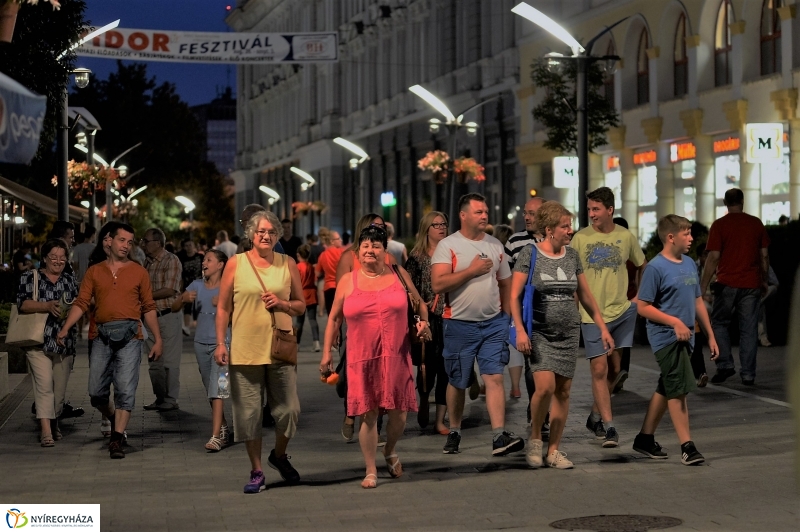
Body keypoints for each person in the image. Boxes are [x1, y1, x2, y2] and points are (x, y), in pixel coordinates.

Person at [320, 225, 430, 489]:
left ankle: (389, 449)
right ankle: (370, 469)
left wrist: (424, 324)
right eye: (365, 246)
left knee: (399, 414)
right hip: (362, 358)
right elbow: (334, 318)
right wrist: (326, 353)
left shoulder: (399, 274)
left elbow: (420, 305)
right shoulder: (348, 280)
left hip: (396, 355)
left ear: (385, 251)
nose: (370, 250)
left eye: (376, 246)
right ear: (358, 251)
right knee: (368, 414)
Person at [512, 201, 613, 469]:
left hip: (568, 333)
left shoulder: (572, 256)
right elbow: (514, 296)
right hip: (540, 333)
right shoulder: (530, 253)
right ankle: (536, 438)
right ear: (549, 230)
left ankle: (554, 450)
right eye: (565, 226)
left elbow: (586, 296)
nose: (570, 230)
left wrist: (602, 327)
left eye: (570, 225)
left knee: (563, 392)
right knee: (544, 387)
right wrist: (520, 329)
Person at [214, 210, 306, 494]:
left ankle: (279, 455)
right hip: (245, 350)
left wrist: (282, 303)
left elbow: (301, 304)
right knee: (249, 415)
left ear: (278, 236)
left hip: (280, 349)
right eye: (261, 231)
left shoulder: (287, 263)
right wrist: (221, 343)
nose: (266, 236)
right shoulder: (236, 263)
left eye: (271, 232)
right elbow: (223, 307)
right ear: (251, 235)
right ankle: (256, 471)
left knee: (289, 410)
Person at [57, 222, 163, 459]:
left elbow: (148, 307)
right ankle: (115, 419)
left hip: (131, 336)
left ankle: (117, 438)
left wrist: (158, 339)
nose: (126, 245)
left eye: (129, 242)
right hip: (101, 336)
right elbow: (82, 302)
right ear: (110, 241)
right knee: (96, 392)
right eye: (121, 240)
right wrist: (65, 328)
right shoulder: (95, 271)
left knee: (125, 388)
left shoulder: (138, 271)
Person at [431, 193, 522, 457]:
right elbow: (438, 284)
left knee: (494, 377)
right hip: (458, 324)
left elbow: (505, 283)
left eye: (485, 212)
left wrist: (505, 317)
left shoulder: (495, 244)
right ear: (463, 215)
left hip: (493, 324)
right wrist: (471, 270)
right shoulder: (448, 245)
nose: (484, 216)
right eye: (478, 212)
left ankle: (499, 435)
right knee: (458, 381)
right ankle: (455, 430)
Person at [634, 214, 719, 465]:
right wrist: (674, 322)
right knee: (679, 388)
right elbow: (643, 307)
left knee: (668, 385)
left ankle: (645, 438)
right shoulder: (655, 268)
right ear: (671, 237)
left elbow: (697, 301)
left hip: (687, 337)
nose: (691, 238)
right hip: (666, 338)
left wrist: (711, 336)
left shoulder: (690, 263)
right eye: (686, 233)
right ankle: (687, 446)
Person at [569, 187, 646, 447]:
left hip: (621, 312)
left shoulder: (625, 236)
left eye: (596, 209)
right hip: (592, 314)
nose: (591, 214)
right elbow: (573, 276)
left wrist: (639, 298)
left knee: (615, 370)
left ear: (610, 210)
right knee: (599, 369)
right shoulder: (580, 238)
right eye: (589, 209)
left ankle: (594, 416)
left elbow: (642, 264)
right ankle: (610, 426)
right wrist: (574, 307)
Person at [335, 214, 397, 442]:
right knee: (351, 376)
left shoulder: (389, 257)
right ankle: (350, 413)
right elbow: (340, 297)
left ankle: (374, 427)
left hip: (383, 326)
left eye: (382, 227)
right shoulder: (349, 257)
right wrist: (336, 327)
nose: (379, 229)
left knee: (378, 376)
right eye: (374, 226)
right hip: (354, 326)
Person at [700, 188, 770, 385]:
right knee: (749, 329)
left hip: (726, 284)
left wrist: (703, 285)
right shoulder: (755, 223)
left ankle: (725, 365)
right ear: (742, 201)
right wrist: (764, 280)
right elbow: (764, 256)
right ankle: (748, 374)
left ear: (725, 203)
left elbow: (713, 257)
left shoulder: (719, 225)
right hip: (751, 283)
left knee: (719, 323)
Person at [17, 239, 78, 447]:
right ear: (44, 258)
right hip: (38, 340)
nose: (58, 261)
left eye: (62, 257)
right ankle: (45, 430)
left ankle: (54, 421)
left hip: (64, 342)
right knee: (44, 386)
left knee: (58, 392)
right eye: (53, 257)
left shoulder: (69, 280)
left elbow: (78, 306)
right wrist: (46, 306)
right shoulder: (30, 277)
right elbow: (23, 303)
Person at [405, 211, 450, 434]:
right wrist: (421, 305)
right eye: (436, 225)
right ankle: (423, 396)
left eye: (443, 224)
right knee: (427, 365)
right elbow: (407, 288)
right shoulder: (417, 257)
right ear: (426, 229)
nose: (441, 228)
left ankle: (440, 419)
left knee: (446, 368)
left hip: (450, 315)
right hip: (427, 318)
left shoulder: (452, 252)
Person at [184, 249, 231, 452]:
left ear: (220, 265)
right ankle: (223, 427)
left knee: (219, 389)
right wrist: (183, 298)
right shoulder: (196, 285)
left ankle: (216, 437)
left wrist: (225, 304)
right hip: (200, 344)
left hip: (223, 346)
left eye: (209, 260)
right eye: (204, 260)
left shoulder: (229, 288)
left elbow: (239, 313)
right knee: (210, 390)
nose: (204, 263)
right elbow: (176, 305)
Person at [505, 197, 546, 424]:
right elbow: (506, 280)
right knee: (532, 363)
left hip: (552, 313)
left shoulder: (559, 240)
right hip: (526, 313)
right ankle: (537, 409)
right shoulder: (515, 242)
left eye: (532, 213)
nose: (527, 217)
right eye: (525, 213)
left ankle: (541, 407)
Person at [141, 228, 184, 411]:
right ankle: (160, 398)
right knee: (154, 362)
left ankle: (170, 399)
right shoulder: (147, 262)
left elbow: (170, 289)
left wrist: (145, 296)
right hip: (150, 317)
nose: (143, 244)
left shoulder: (171, 260)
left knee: (170, 361)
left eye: (146, 241)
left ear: (157, 243)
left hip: (168, 315)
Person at [611, 216, 640, 391]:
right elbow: (639, 273)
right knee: (625, 338)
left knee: (612, 337)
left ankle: (615, 372)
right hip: (630, 299)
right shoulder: (632, 250)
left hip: (613, 301)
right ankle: (622, 370)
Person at [296, 244, 321, 352]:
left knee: (299, 322)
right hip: (311, 294)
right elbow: (315, 279)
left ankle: (297, 344)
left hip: (301, 294)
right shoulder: (311, 266)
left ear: (298, 255)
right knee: (312, 319)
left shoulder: (297, 267)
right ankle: (316, 342)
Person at [177, 238, 204, 335]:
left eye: (190, 245)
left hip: (200, 285)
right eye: (186, 246)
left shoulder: (200, 257)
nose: (188, 247)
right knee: (187, 306)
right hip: (188, 285)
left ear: (194, 246)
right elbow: (181, 274)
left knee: (200, 306)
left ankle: (202, 326)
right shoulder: (182, 259)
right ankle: (187, 327)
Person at [316, 231, 344, 314]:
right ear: (332, 241)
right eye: (338, 238)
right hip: (342, 287)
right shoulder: (343, 253)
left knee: (331, 316)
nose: (341, 240)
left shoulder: (323, 255)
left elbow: (317, 273)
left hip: (329, 288)